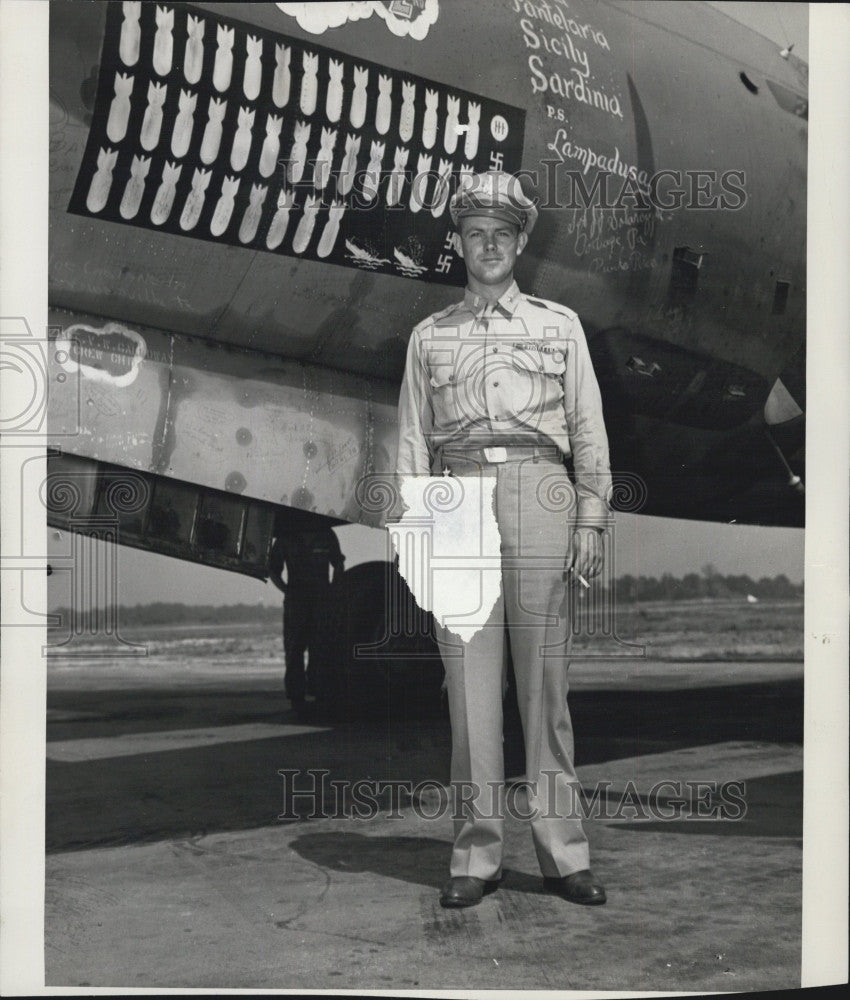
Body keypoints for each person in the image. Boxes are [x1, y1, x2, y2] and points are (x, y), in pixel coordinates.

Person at [395, 171, 612, 908]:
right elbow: (408, 441)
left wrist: (589, 517)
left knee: (545, 689)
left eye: (502, 235)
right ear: (457, 245)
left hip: (540, 489)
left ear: (520, 243)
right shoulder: (430, 338)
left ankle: (563, 852)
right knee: (470, 694)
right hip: (455, 497)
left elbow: (587, 428)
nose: (488, 247)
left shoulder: (559, 326)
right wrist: (416, 529)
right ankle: (476, 857)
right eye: (474, 235)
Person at [269, 528, 345, 712]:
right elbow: (273, 569)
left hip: (321, 601)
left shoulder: (326, 534)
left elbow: (338, 563)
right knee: (294, 649)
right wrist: (287, 590)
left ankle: (319, 692)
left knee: (321, 647)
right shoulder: (285, 537)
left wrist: (333, 590)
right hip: (297, 603)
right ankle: (297, 696)